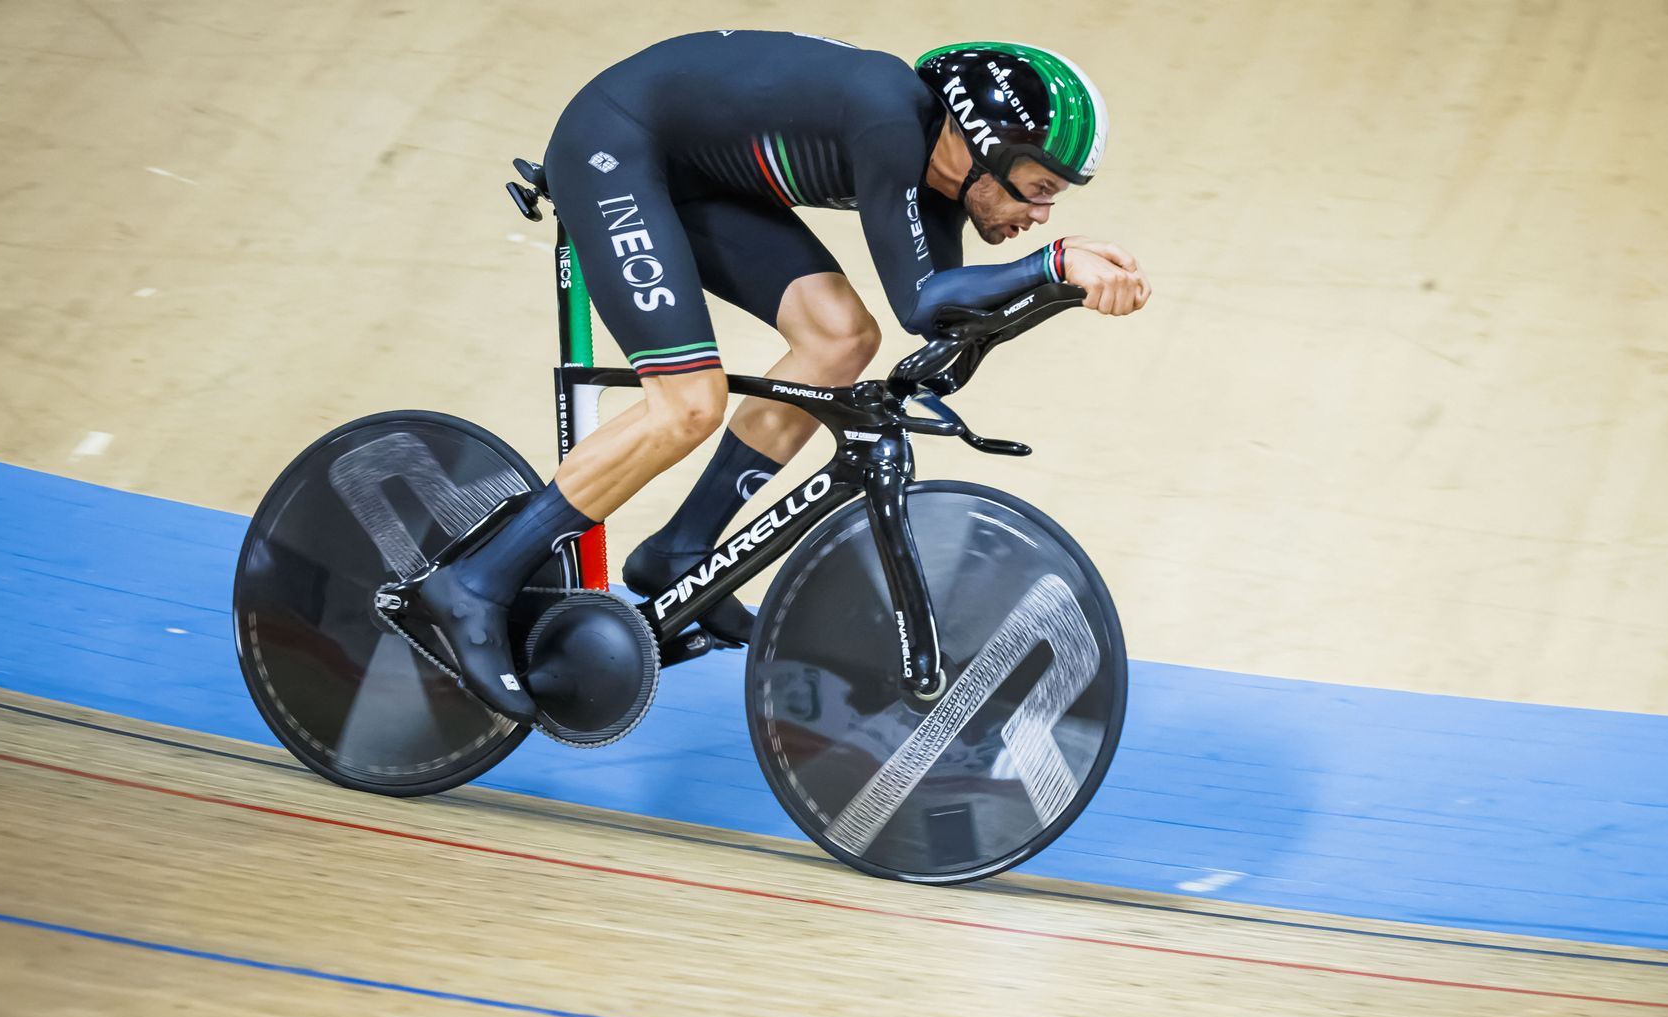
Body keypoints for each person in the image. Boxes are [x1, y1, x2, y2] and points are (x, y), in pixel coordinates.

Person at [405, 32, 1153, 720]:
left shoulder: (939, 178)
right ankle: (471, 583)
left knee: (840, 339)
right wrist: (1055, 266)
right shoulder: (887, 118)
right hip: (617, 144)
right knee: (686, 404)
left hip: (693, 175)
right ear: (978, 146)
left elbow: (934, 318)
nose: (1044, 213)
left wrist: (1052, 294)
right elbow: (925, 299)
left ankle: (680, 551)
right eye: (1039, 186)